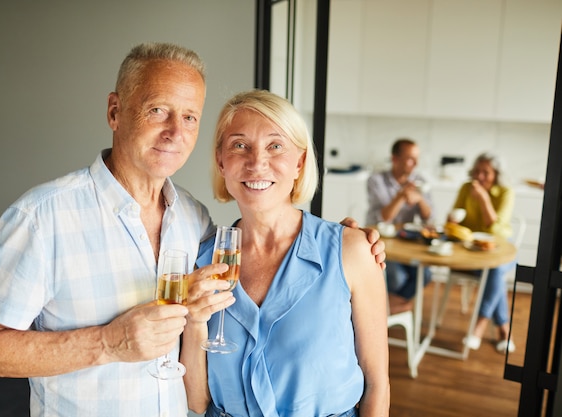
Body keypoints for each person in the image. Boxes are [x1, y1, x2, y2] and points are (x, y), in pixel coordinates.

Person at [0, 43, 386, 417]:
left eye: (190, 117)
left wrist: (344, 240)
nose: (174, 132)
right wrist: (108, 342)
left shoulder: (196, 225)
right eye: (157, 110)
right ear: (115, 111)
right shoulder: (43, 217)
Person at [182, 90, 390, 417]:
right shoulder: (201, 264)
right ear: (221, 161)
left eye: (275, 146)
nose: (256, 162)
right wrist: (194, 321)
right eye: (239, 145)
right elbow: (197, 401)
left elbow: (377, 385)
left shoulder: (351, 252)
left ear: (300, 163)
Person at [450, 152, 516, 354]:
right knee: (495, 276)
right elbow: (457, 220)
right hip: (471, 253)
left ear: (496, 174)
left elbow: (495, 230)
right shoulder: (465, 188)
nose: (479, 176)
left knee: (495, 270)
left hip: (501, 251)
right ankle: (504, 330)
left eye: (486, 172)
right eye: (477, 171)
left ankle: (478, 326)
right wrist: (452, 221)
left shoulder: (506, 192)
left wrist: (484, 199)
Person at [366, 138, 434, 313]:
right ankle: (394, 306)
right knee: (396, 277)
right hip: (380, 242)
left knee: (425, 274)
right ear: (395, 159)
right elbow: (384, 217)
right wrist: (402, 195)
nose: (416, 163)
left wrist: (419, 199)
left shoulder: (420, 181)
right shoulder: (376, 180)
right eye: (410, 158)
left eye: (416, 158)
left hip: (407, 243)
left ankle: (389, 305)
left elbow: (430, 219)